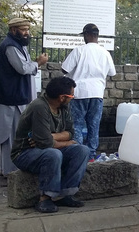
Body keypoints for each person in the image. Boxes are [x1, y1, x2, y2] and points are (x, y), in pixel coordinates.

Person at [11, 76, 89, 213]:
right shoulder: (39, 107)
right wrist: (65, 142)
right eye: (71, 95)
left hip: (46, 149)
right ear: (62, 97)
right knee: (53, 153)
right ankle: (45, 198)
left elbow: (71, 132)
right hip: (25, 153)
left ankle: (66, 194)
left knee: (82, 150)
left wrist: (52, 137)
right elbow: (45, 143)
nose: (73, 98)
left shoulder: (64, 107)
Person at [0, 17, 48, 176]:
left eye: (28, 30)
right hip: (12, 99)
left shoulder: (19, 45)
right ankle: (11, 172)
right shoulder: (10, 46)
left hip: (18, 97)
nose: (26, 33)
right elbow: (22, 68)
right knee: (11, 136)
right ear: (13, 30)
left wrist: (34, 63)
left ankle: (12, 170)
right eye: (23, 30)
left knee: (17, 135)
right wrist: (39, 63)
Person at [61, 23, 116, 161]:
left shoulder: (79, 50)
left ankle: (77, 154)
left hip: (79, 93)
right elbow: (112, 72)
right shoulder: (105, 52)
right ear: (97, 36)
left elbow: (64, 69)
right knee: (94, 125)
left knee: (77, 125)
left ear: (86, 35)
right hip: (97, 93)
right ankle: (91, 156)